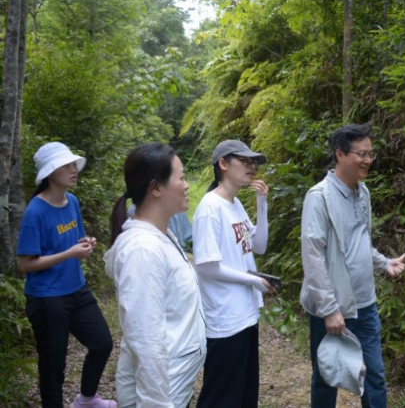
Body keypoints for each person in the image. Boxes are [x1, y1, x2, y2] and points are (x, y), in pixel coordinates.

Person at [300, 123, 405, 408]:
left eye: (371, 154)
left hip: (365, 304)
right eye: (361, 154)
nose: (368, 160)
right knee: (326, 376)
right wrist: (329, 309)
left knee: (374, 376)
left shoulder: (364, 193)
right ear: (340, 154)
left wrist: (384, 263)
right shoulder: (319, 197)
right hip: (331, 309)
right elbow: (313, 257)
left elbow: (360, 244)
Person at [104, 143, 206, 407]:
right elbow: (146, 341)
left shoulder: (162, 235)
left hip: (174, 383)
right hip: (160, 394)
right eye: (181, 177)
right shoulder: (143, 250)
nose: (187, 185)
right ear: (156, 188)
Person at [16, 142, 115, 408]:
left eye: (74, 164)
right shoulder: (35, 212)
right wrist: (70, 254)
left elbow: (74, 239)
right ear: (50, 173)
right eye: (67, 166)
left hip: (76, 290)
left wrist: (86, 243)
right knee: (53, 365)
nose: (74, 170)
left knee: (103, 343)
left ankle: (86, 399)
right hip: (47, 298)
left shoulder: (72, 201)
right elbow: (25, 263)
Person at [193, 140, 274, 408]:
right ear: (223, 164)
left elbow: (258, 246)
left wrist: (262, 204)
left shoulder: (235, 204)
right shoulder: (209, 207)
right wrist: (254, 280)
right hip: (225, 320)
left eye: (253, 162)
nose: (251, 167)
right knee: (220, 398)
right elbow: (206, 265)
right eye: (245, 161)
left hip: (245, 314)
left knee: (244, 395)